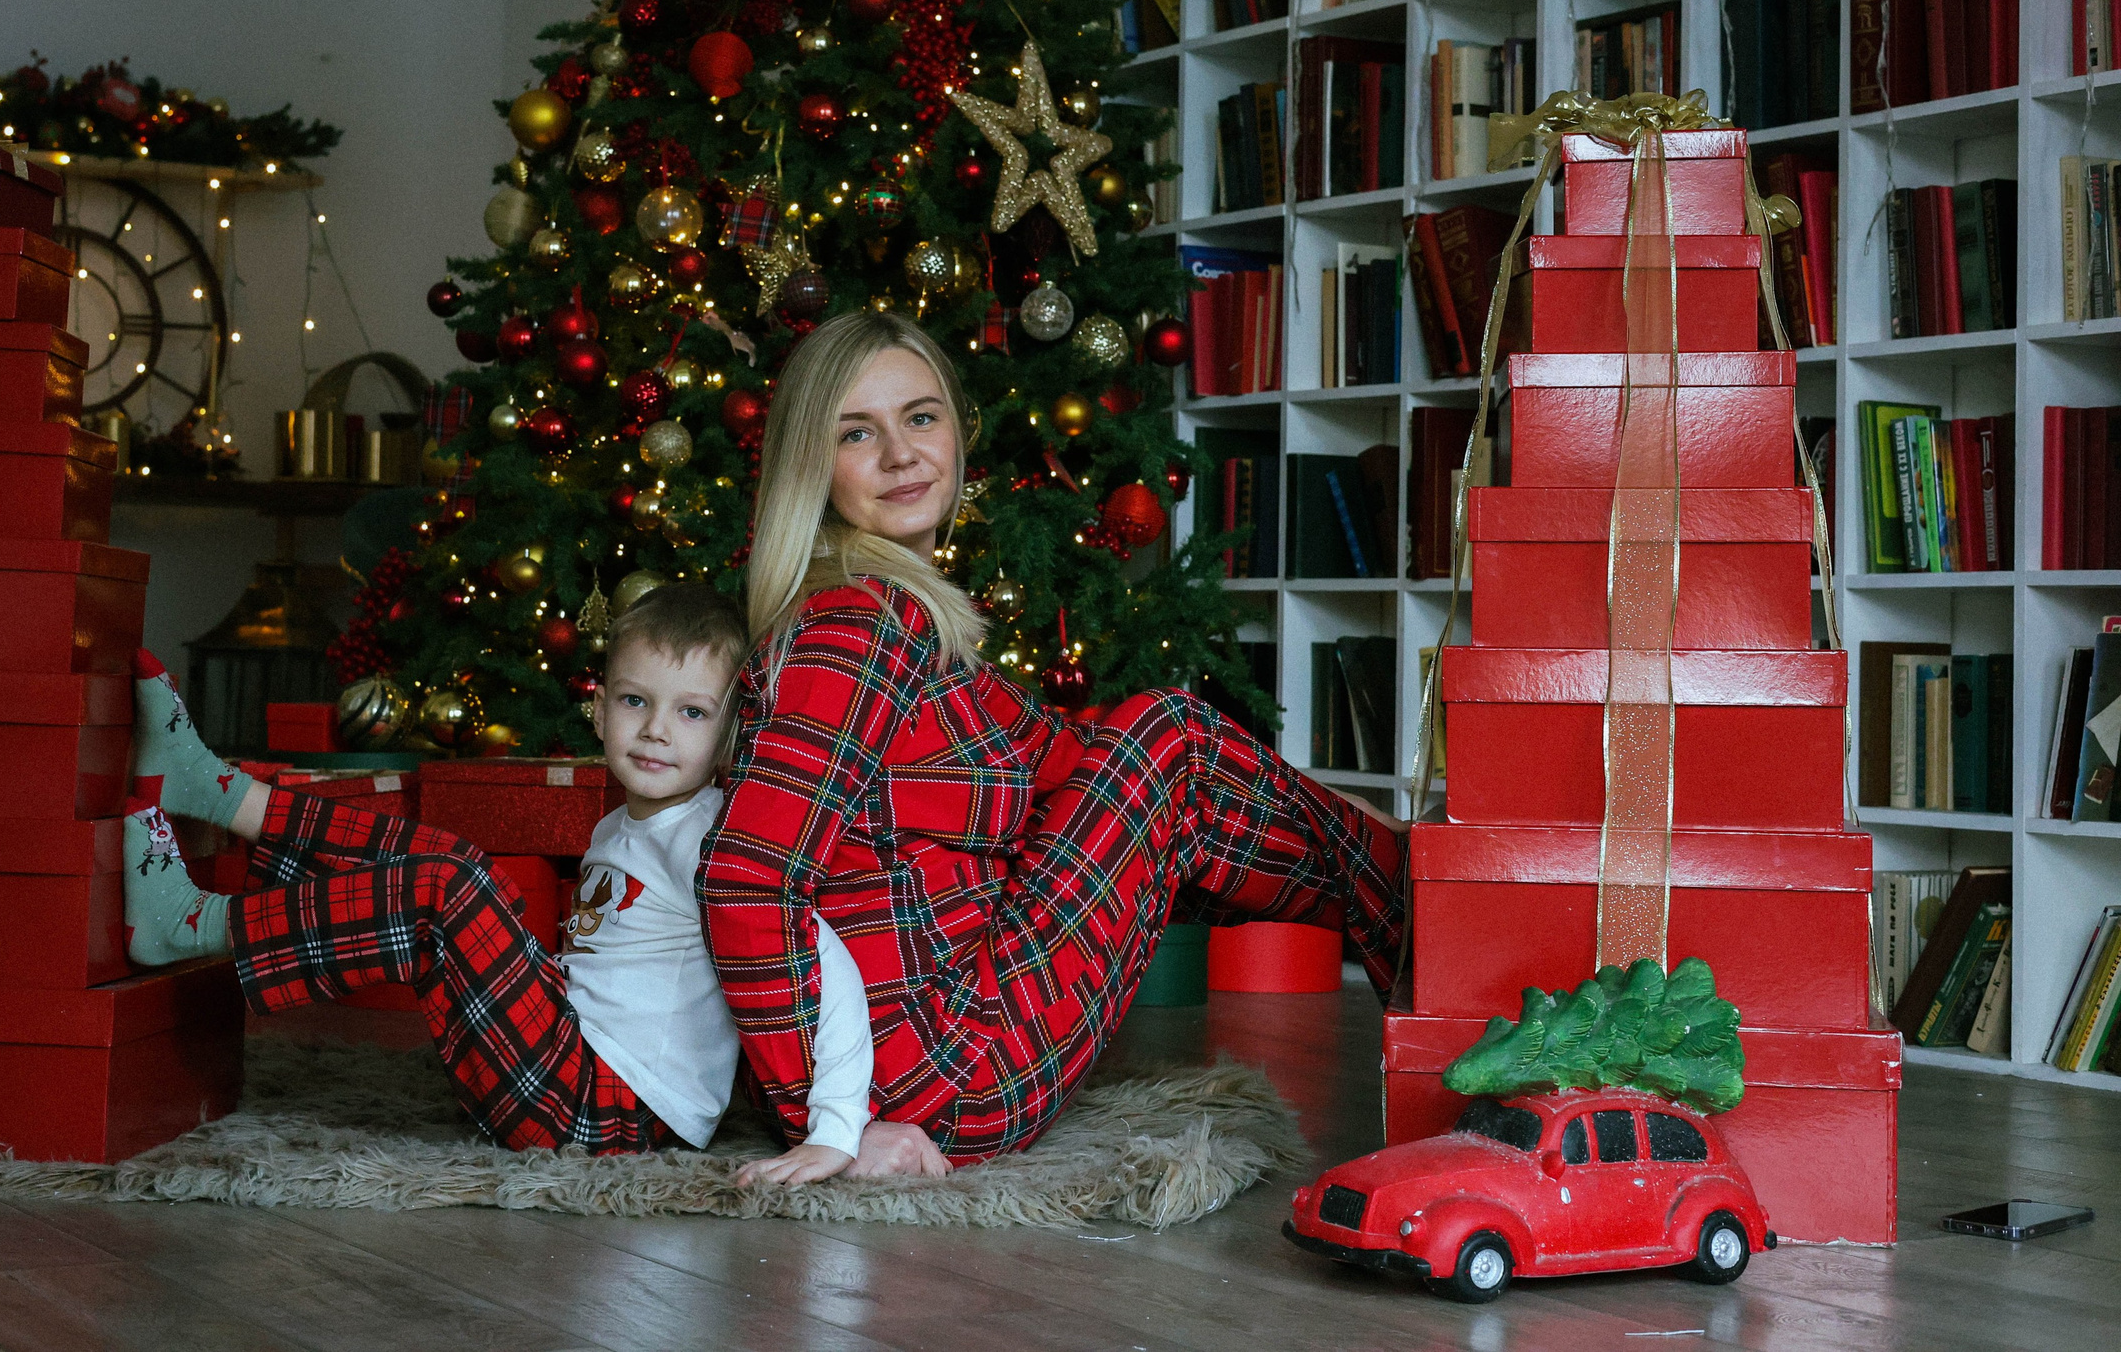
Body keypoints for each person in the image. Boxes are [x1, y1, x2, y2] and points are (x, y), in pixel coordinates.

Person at [700, 311, 1407, 1169]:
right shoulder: (855, 628)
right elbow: (748, 876)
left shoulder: (904, 621)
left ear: (959, 430)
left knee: (1158, 750)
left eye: (921, 417)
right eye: (857, 432)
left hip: (937, 1042)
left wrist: (1338, 811)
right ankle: (1424, 916)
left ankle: (1411, 900)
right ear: (814, 465)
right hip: (933, 1076)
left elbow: (1068, 756)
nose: (901, 453)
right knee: (1169, 734)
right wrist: (831, 1126)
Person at [123, 582, 899, 1177]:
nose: (657, 728)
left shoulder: (710, 839)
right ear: (600, 713)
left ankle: (193, 925)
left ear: (728, 735)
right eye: (636, 701)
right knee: (447, 862)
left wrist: (836, 1126)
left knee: (451, 883)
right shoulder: (619, 826)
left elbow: (822, 962)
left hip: (608, 1109)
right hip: (567, 1060)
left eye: (692, 713)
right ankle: (221, 794)